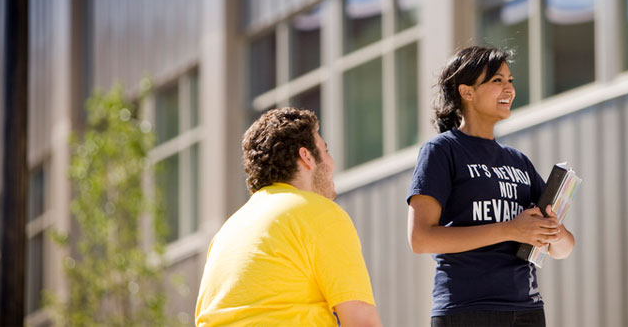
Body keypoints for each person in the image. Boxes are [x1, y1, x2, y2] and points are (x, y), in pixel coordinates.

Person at [406, 45, 575, 327]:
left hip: (528, 310)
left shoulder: (519, 161)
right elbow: (420, 239)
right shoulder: (441, 151)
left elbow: (563, 249)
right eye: (497, 81)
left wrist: (554, 233)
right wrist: (509, 229)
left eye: (510, 81)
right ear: (466, 91)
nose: (509, 89)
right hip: (467, 310)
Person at [195, 108, 381, 327]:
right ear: (307, 157)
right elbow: (361, 322)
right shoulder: (319, 212)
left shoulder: (225, 233)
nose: (332, 162)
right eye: (326, 150)